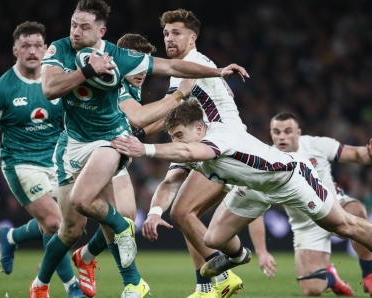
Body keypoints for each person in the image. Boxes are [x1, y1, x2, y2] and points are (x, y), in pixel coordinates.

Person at [30, 1, 249, 297]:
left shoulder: (127, 62)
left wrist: (215, 73)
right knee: (72, 228)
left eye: (176, 33)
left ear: (101, 31)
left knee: (135, 214)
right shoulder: (73, 56)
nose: (76, 31)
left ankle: (139, 281)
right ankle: (53, 275)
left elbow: (156, 102)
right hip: (74, 145)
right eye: (74, 25)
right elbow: (51, 89)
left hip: (115, 141)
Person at [111, 99, 372, 298]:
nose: (174, 141)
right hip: (252, 188)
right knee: (215, 237)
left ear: (200, 128)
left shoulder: (217, 136)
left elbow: (193, 151)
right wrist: (154, 211)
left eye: (178, 135)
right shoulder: (188, 147)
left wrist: (147, 149)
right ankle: (237, 257)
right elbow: (170, 181)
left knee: (344, 225)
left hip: (290, 179)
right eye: (172, 137)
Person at [59, 33, 194, 298]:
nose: (142, 72)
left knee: (127, 218)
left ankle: (84, 257)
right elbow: (140, 116)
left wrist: (137, 138)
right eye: (138, 66)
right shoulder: (115, 82)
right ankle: (131, 283)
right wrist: (180, 94)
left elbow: (146, 121)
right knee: (76, 226)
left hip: (114, 150)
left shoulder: (135, 84)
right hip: (89, 150)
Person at [139, 9, 257, 298]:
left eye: (176, 32)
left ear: (193, 38)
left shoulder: (189, 64)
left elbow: (166, 109)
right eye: (166, 33)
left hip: (223, 147)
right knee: (188, 217)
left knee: (182, 212)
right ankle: (207, 287)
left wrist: (136, 131)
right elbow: (172, 117)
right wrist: (154, 212)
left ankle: (228, 271)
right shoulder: (191, 66)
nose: (169, 37)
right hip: (204, 141)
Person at [0, 21, 86, 298]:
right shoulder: (0, 89)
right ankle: (72, 288)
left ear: (45, 49)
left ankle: (10, 237)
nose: (32, 51)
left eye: (37, 46)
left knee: (64, 226)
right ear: (15, 50)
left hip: (57, 161)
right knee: (57, 224)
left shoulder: (58, 81)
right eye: (26, 46)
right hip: (21, 163)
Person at [247, 112, 372, 296]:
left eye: (288, 131)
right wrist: (262, 252)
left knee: (357, 211)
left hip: (335, 206)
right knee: (311, 289)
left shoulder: (317, 144)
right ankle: (332, 278)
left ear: (298, 133)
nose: (282, 136)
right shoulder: (266, 163)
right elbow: (254, 209)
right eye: (276, 132)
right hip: (306, 225)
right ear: (270, 134)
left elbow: (355, 154)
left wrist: (371, 155)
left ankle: (369, 276)